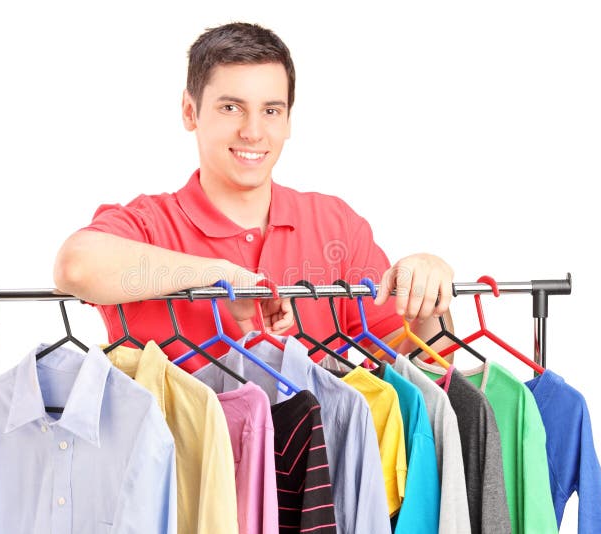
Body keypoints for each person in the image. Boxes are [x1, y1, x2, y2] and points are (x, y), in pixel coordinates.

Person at [53, 22, 454, 372]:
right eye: (231, 107)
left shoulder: (335, 224)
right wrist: (222, 275)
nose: (253, 132)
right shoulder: (150, 224)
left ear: (288, 119)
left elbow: (413, 368)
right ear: (190, 111)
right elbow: (76, 267)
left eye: (271, 111)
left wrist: (429, 290)